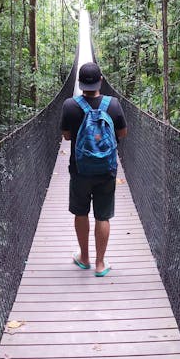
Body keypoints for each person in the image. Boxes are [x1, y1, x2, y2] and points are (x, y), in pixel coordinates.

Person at [60, 62, 127, 277]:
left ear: (79, 83)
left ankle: (85, 257)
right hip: (106, 169)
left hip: (80, 169)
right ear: (101, 80)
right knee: (103, 216)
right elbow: (123, 133)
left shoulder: (70, 105)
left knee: (81, 212)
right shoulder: (113, 104)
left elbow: (67, 136)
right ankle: (100, 264)